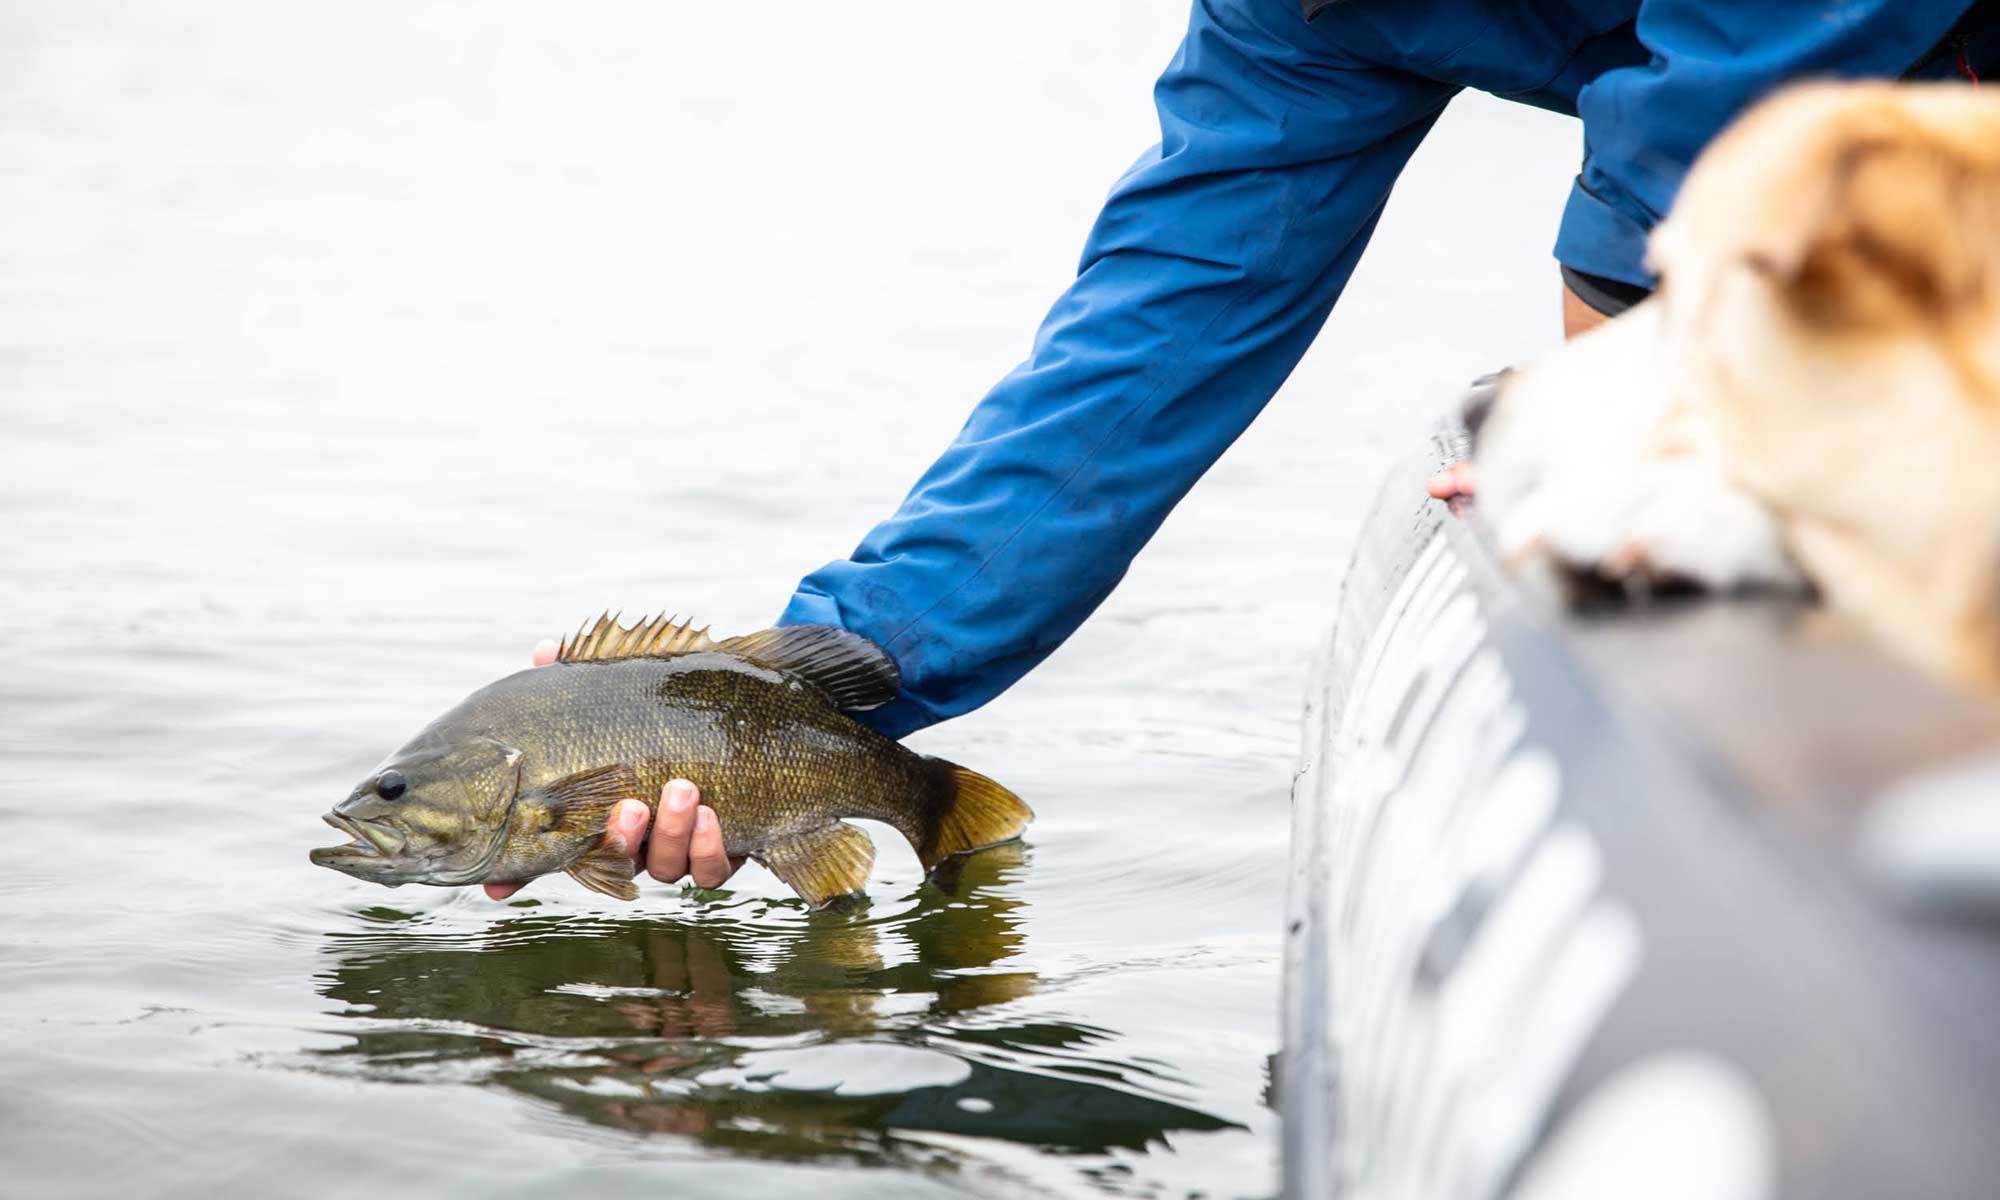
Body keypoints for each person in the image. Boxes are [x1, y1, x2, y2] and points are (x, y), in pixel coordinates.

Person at [491, 0, 1999, 901]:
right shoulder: (1294, 20)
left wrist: (1615, 412)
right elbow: (1157, 326)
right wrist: (801, 683)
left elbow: (1730, 90)